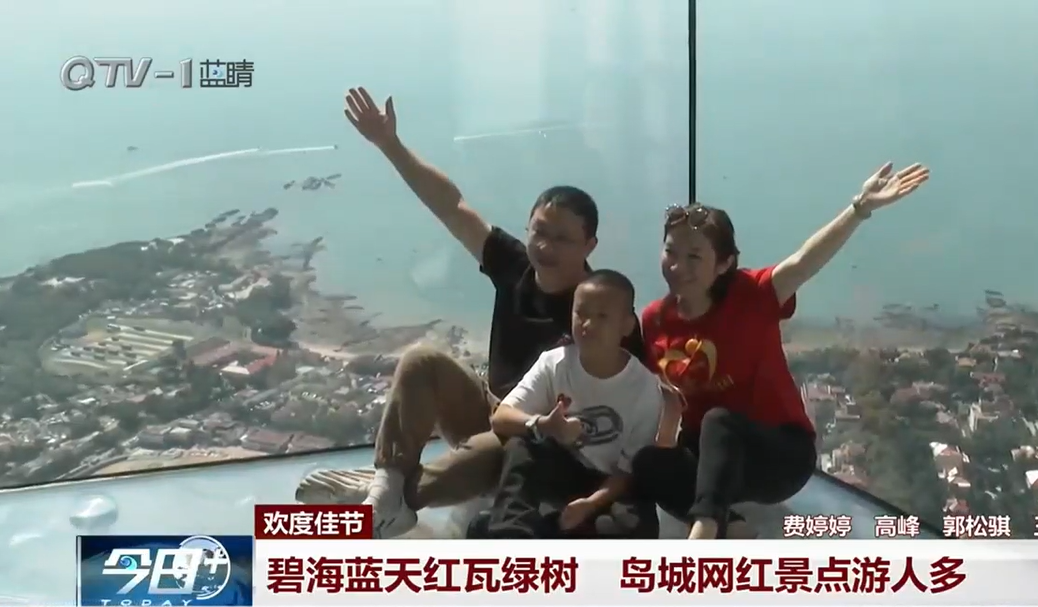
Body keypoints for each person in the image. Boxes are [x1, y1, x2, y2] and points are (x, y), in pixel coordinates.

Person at [294, 86, 648, 538]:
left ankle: (390, 497)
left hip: (539, 439)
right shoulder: (514, 265)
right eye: (539, 232)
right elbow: (451, 206)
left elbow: (630, 395)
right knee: (422, 360)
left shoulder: (599, 310)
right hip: (490, 406)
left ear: (589, 245)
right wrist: (389, 144)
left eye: (562, 239)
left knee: (479, 461)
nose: (545, 247)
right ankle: (387, 487)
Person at [632, 162, 931, 539]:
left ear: (724, 264)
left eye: (694, 256)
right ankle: (733, 528)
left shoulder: (751, 296)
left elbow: (805, 261)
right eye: (670, 251)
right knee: (648, 463)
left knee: (719, 421)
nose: (677, 266)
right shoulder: (654, 319)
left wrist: (860, 208)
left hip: (778, 456)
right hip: (712, 459)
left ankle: (705, 532)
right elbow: (668, 399)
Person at [468, 270, 662, 539]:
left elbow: (627, 473)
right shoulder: (555, 363)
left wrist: (590, 504)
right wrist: (543, 425)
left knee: (637, 528)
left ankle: (543, 531)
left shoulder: (644, 388)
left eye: (602, 316)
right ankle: (509, 536)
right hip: (564, 470)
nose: (588, 324)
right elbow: (501, 418)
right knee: (523, 445)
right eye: (581, 313)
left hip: (609, 485)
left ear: (627, 325)